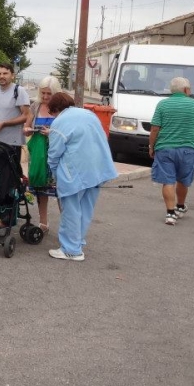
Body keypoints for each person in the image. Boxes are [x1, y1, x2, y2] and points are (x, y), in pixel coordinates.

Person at [46, 92, 118, 261]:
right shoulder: (89, 114)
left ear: (55, 109)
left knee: (70, 211)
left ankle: (71, 250)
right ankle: (77, 242)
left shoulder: (59, 122)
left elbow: (54, 154)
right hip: (98, 169)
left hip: (74, 172)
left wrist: (55, 174)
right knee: (86, 209)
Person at [148, 76, 194, 226]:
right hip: (188, 149)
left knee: (168, 181)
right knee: (183, 180)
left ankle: (170, 214)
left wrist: (151, 146)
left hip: (165, 148)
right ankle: (180, 206)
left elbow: (155, 129)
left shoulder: (162, 104)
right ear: (186, 90)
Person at [23, 76, 62, 234]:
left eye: (49, 94)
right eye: (43, 93)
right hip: (38, 154)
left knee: (61, 190)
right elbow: (26, 127)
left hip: (56, 153)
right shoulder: (35, 106)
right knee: (41, 189)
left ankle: (67, 225)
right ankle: (43, 222)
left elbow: (68, 131)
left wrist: (51, 133)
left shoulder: (62, 109)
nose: (45, 97)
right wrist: (27, 130)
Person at [0, 62, 31, 168]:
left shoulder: (18, 91)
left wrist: (4, 123)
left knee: (11, 174)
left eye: (5, 73)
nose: (2, 76)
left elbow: (26, 115)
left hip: (12, 143)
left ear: (12, 75)